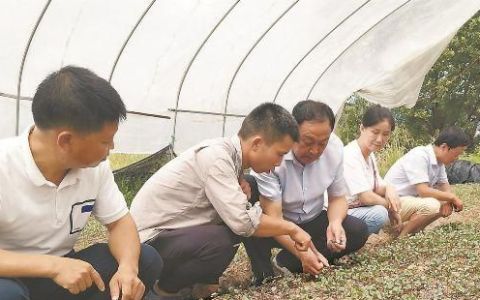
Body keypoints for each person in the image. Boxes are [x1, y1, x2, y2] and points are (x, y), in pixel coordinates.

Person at [0, 66, 162, 300]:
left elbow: (119, 223)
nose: (112, 148)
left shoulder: (95, 169)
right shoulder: (4, 166)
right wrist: (53, 266)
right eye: (105, 141)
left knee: (145, 259)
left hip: (63, 273)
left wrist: (128, 269)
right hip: (10, 274)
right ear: (65, 140)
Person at [130, 103, 315, 299]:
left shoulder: (231, 157)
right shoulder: (217, 158)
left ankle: (220, 279)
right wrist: (293, 229)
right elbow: (243, 222)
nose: (279, 163)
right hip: (147, 245)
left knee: (249, 189)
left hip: (174, 235)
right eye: (279, 153)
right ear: (257, 143)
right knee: (221, 241)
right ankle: (165, 290)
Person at [243, 100, 368, 284]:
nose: (315, 150)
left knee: (357, 230)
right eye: (308, 142)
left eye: (322, 143)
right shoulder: (273, 154)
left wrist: (335, 222)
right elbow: (275, 218)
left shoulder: (334, 148)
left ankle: (285, 261)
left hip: (312, 219)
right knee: (250, 189)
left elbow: (337, 198)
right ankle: (263, 270)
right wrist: (301, 250)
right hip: (277, 225)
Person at [385, 126, 470, 236]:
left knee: (443, 205)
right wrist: (452, 198)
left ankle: (414, 231)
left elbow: (445, 186)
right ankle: (401, 237)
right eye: (456, 154)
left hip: (406, 203)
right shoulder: (420, 155)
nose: (457, 159)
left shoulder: (439, 163)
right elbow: (423, 191)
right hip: (391, 206)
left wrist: (448, 202)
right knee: (432, 205)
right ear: (444, 147)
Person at [343, 105, 403, 235]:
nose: (380, 139)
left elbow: (378, 187)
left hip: (356, 209)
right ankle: (347, 243)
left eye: (386, 134)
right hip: (339, 212)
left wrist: (390, 188)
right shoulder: (350, 155)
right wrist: (390, 208)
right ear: (362, 128)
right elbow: (366, 197)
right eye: (375, 132)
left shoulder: (369, 156)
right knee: (379, 215)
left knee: (394, 202)